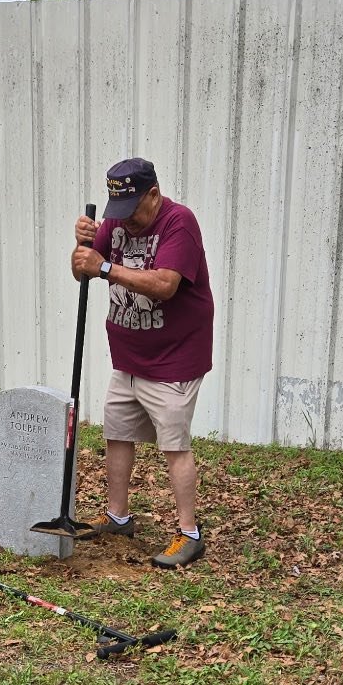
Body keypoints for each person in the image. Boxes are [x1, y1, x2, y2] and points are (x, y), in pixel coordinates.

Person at [71, 157, 214, 569]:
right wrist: (81, 247)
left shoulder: (178, 222)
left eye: (132, 210)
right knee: (117, 430)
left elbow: (166, 285)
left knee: (173, 445)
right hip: (129, 356)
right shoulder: (116, 222)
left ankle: (190, 533)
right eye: (118, 212)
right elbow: (82, 272)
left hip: (174, 358)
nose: (124, 222)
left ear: (153, 194)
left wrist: (103, 266)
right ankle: (118, 517)